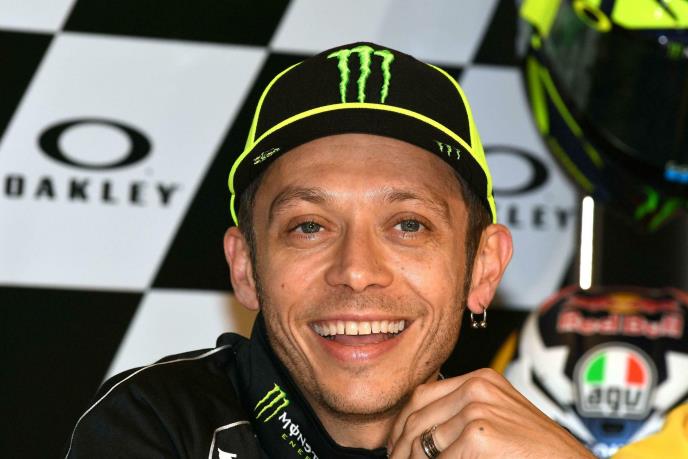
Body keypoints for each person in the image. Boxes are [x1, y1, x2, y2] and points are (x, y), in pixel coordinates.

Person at [64, 42, 594, 458]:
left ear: (482, 269)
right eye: (309, 227)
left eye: (408, 225)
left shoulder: (527, 448)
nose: (357, 271)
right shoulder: (158, 421)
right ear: (246, 267)